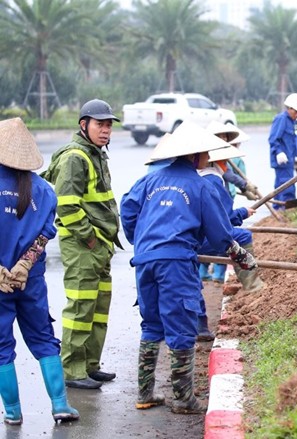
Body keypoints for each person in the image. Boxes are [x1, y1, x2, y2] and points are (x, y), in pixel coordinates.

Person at [120, 120, 257, 414]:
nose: (208, 158)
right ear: (194, 156)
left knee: (152, 323)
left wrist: (140, 239)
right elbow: (220, 234)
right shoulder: (199, 185)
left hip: (144, 260)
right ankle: (183, 398)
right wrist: (240, 254)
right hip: (175, 263)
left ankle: (145, 393)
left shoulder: (149, 181)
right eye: (204, 154)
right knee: (181, 324)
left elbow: (127, 209)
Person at [0, 118, 79, 425]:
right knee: (44, 339)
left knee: (2, 345)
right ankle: (60, 405)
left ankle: (13, 412)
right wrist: (23, 265)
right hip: (29, 281)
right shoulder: (44, 190)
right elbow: (46, 233)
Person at [41, 99, 122, 390]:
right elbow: (66, 206)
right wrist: (89, 237)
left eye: (109, 125)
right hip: (85, 245)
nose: (106, 130)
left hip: (100, 244)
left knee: (98, 309)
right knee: (80, 309)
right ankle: (73, 370)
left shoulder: (96, 153)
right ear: (83, 125)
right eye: (100, 124)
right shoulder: (76, 157)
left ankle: (90, 365)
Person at [196, 142, 265, 340]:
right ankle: (252, 285)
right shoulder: (213, 179)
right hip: (204, 238)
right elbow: (222, 218)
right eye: (226, 160)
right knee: (243, 236)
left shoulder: (202, 176)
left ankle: (198, 325)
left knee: (191, 284)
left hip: (186, 238)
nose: (228, 164)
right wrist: (242, 212)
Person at [269, 93, 297, 209]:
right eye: (296, 112)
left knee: (280, 187)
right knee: (287, 188)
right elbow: (273, 139)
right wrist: (279, 152)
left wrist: (293, 157)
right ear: (290, 108)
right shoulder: (281, 119)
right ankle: (285, 212)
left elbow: (290, 142)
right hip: (282, 161)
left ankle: (279, 210)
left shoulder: (291, 122)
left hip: (288, 161)